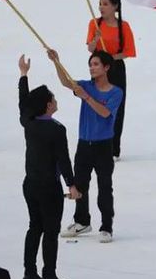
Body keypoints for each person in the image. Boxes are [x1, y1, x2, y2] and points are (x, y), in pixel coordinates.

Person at [17, 55, 81, 279]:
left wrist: (23, 75)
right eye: (53, 98)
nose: (55, 100)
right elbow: (63, 160)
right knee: (51, 230)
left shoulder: (29, 122)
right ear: (47, 105)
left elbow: (23, 102)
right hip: (49, 186)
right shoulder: (56, 130)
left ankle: (29, 272)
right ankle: (49, 274)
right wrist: (71, 185)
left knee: (35, 226)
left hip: (30, 183)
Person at [48, 49, 122, 243]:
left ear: (106, 67)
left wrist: (86, 97)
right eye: (90, 64)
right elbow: (66, 82)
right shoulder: (85, 86)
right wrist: (57, 61)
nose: (92, 67)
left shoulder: (116, 92)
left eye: (96, 64)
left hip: (104, 145)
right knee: (80, 184)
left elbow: (105, 113)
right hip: (84, 144)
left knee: (105, 186)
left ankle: (106, 226)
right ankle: (81, 221)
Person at [86, 0, 135, 161]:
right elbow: (91, 49)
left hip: (116, 69)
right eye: (100, 4)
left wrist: (111, 58)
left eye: (105, 4)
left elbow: (128, 51)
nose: (101, 7)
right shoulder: (94, 24)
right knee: (96, 102)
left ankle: (113, 148)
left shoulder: (124, 26)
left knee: (116, 107)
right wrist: (96, 39)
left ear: (115, 6)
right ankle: (95, 142)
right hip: (98, 68)